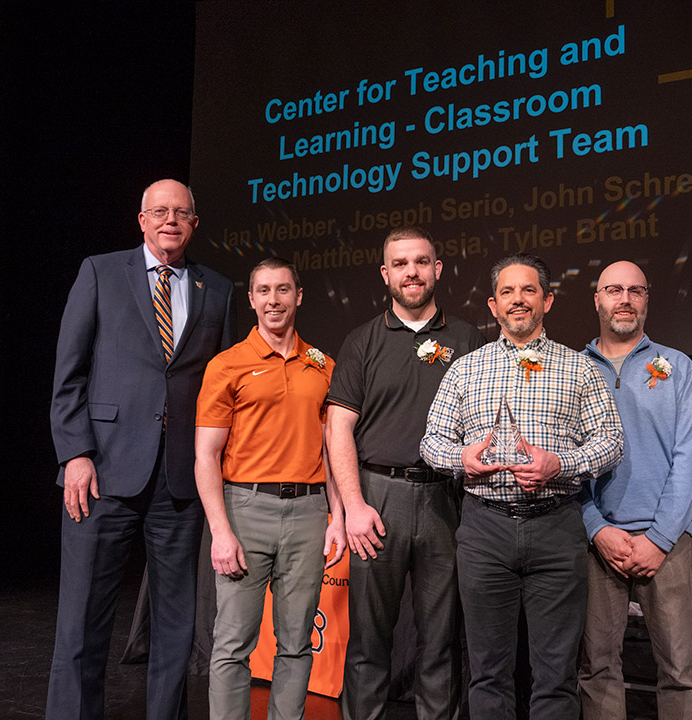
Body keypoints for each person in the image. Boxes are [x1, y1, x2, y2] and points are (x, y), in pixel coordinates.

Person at [48, 179, 235, 720]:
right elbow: (69, 374)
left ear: (194, 223)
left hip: (180, 481)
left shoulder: (218, 290)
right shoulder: (100, 272)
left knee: (175, 627)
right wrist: (75, 454)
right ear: (142, 220)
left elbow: (224, 391)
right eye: (160, 211)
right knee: (81, 621)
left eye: (181, 212)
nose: (170, 220)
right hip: (101, 473)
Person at [421, 252, 623, 719]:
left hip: (556, 528)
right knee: (488, 672)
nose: (518, 300)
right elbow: (432, 442)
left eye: (529, 290)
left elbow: (612, 442)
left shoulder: (579, 368)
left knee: (556, 676)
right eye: (507, 292)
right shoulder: (466, 369)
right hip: (485, 530)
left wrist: (561, 464)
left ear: (547, 301)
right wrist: (461, 460)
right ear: (493, 306)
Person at [326, 227, 485, 720]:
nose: (411, 272)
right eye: (400, 264)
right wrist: (353, 506)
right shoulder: (362, 340)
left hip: (446, 501)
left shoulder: (468, 338)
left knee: (441, 641)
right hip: (377, 500)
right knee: (368, 643)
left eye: (420, 262)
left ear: (438, 269)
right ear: (385, 274)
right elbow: (338, 428)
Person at [194, 257, 345, 719]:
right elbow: (205, 456)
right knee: (232, 644)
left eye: (283, 290)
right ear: (251, 299)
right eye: (264, 291)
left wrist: (338, 516)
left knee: (296, 643)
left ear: (298, 296)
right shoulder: (227, 365)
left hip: (308, 512)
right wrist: (220, 531)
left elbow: (333, 449)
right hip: (245, 509)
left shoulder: (322, 365)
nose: (273, 300)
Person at [579, 261, 692, 720]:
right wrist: (596, 528)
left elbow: (690, 457)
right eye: (614, 289)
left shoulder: (679, 367)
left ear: (647, 299)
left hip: (667, 544)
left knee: (680, 670)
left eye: (635, 290)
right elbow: (565, 462)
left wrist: (660, 537)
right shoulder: (571, 369)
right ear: (597, 299)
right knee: (597, 669)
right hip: (597, 544)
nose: (625, 299)